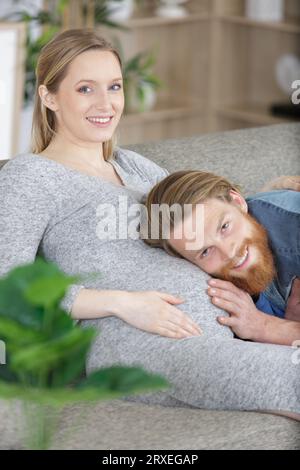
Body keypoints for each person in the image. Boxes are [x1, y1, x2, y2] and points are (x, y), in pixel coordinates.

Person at [0, 29, 299, 420]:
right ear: (49, 96)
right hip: (154, 343)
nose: (105, 103)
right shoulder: (31, 175)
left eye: (114, 86)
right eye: (85, 89)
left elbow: (210, 218)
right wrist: (122, 303)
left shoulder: (136, 166)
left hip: (227, 330)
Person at [143, 170, 300, 346]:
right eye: (205, 251)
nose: (229, 253)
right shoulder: (229, 285)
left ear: (238, 202)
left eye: (224, 227)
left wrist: (264, 326)